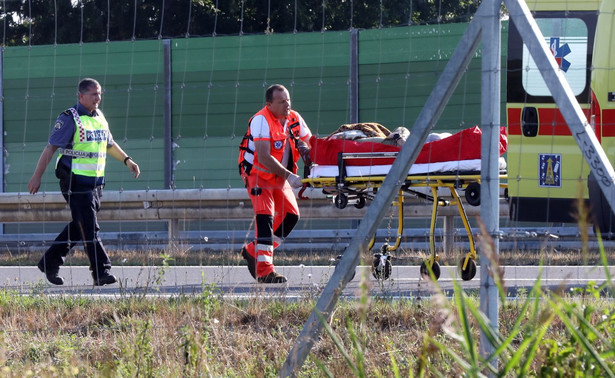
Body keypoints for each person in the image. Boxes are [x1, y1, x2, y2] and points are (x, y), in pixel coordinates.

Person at [28, 78, 140, 286]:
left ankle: (49, 262)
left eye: (99, 94)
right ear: (81, 96)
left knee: (81, 225)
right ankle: (101, 271)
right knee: (89, 227)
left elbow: (109, 144)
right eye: (93, 94)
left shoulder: (99, 117)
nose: (98, 98)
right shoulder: (70, 118)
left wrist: (127, 160)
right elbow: (50, 148)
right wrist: (37, 176)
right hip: (73, 179)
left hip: (96, 182)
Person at [238, 84, 312, 283]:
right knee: (265, 220)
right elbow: (262, 156)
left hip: (279, 177)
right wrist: (289, 176)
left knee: (291, 216)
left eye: (288, 100)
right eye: (281, 101)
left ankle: (253, 250)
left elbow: (309, 141)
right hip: (258, 175)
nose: (287, 104)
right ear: (269, 104)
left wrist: (307, 153)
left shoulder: (295, 118)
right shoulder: (261, 120)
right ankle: (265, 272)